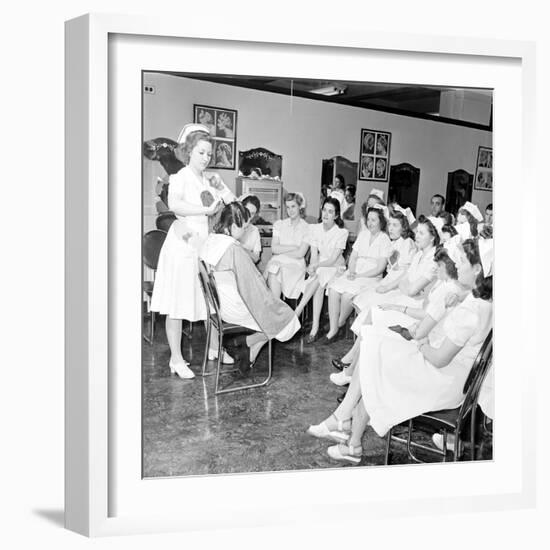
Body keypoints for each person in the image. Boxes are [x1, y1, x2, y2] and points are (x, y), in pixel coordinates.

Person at [308, 237, 493, 464]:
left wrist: (421, 343)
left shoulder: (470, 311)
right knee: (376, 347)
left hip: (446, 380)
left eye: (462, 261)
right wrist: (461, 296)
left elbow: (439, 358)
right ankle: (345, 425)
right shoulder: (486, 302)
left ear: (477, 270)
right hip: (457, 376)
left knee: (377, 353)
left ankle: (349, 433)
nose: (457, 264)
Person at [150, 123, 236, 379]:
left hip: (202, 246)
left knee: (209, 301)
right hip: (182, 246)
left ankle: (214, 348)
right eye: (201, 152)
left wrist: (221, 186)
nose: (206, 158)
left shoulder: (207, 180)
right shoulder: (179, 178)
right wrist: (205, 211)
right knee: (177, 304)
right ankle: (176, 359)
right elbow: (175, 206)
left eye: (209, 154)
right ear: (189, 151)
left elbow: (231, 204)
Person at [200, 203, 300, 373]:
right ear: (233, 226)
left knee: (276, 315)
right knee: (288, 317)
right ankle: (248, 342)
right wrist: (271, 299)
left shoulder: (211, 241)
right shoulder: (233, 249)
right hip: (236, 309)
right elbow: (252, 285)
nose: (246, 231)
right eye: (244, 227)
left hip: (218, 307)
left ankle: (249, 352)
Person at [326, 205, 391, 341]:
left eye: (374, 220)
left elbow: (380, 268)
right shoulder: (363, 235)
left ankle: (340, 322)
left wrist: (359, 275)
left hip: (371, 276)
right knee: (333, 290)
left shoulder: (384, 239)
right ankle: (333, 329)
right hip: (355, 271)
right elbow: (353, 256)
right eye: (368, 219)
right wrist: (351, 271)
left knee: (347, 295)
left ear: (381, 222)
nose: (370, 223)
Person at [294, 197, 349, 344]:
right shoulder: (315, 229)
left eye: (330, 212)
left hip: (336, 268)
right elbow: (314, 255)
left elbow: (332, 260)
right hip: (320, 267)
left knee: (320, 275)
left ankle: (299, 311)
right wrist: (312, 268)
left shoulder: (341, 232)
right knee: (318, 281)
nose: (326, 214)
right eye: (324, 210)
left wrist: (316, 267)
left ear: (336, 215)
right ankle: (315, 326)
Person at [265, 192, 310, 300]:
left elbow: (300, 254)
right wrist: (293, 247)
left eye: (293, 206)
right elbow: (274, 248)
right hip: (278, 260)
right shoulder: (280, 225)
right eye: (288, 207)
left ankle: (275, 308)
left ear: (300, 207)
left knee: (275, 268)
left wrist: (282, 249)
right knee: (274, 268)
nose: (290, 210)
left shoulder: (307, 228)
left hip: (296, 265)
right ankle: (275, 307)